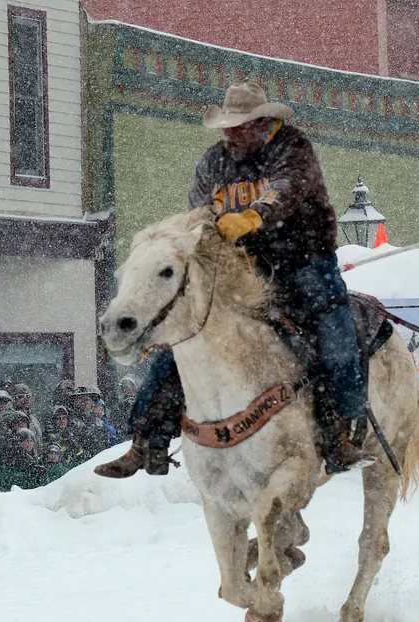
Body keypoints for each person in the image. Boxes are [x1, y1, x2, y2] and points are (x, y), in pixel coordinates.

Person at [95, 82, 374, 479]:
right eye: (225, 125)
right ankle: (146, 440)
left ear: (263, 123)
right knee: (182, 341)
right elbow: (198, 210)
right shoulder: (214, 161)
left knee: (336, 338)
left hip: (305, 261)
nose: (228, 133)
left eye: (237, 126)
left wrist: (253, 216)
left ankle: (342, 433)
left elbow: (287, 190)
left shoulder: (294, 149)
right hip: (244, 268)